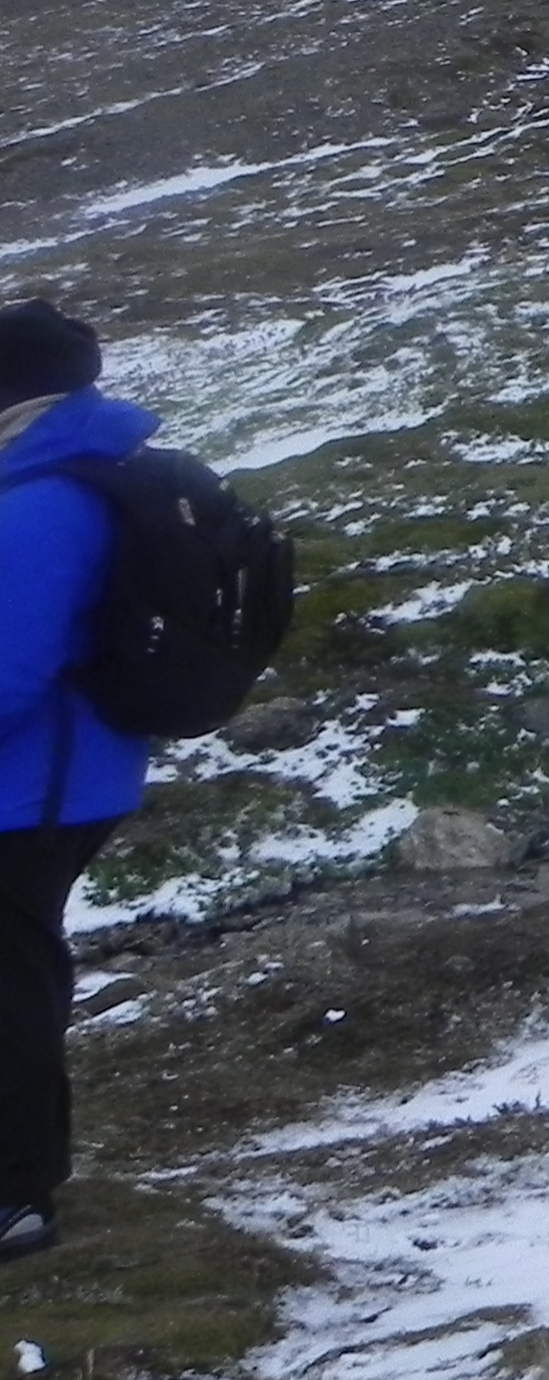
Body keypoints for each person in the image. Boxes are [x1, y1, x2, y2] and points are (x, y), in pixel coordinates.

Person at [0, 302, 160, 1263]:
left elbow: (8, 671)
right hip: (57, 778)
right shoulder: (65, 466)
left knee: (8, 986)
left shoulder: (42, 497)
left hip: (31, 788)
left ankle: (15, 1196)